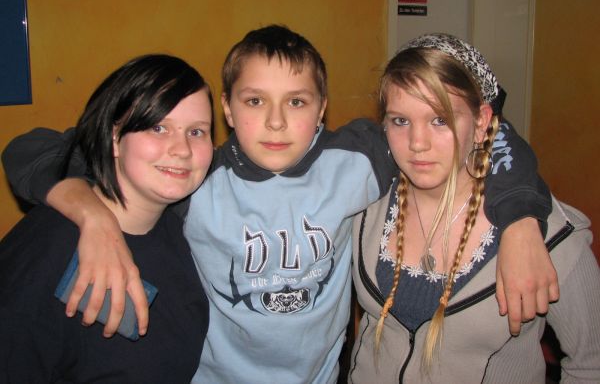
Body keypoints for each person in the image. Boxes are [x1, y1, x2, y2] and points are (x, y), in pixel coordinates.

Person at [2, 26, 555, 384]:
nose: (274, 122)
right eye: (254, 101)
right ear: (227, 109)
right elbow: (32, 149)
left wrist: (520, 221)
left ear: (322, 109)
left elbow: (483, 133)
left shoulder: (360, 158)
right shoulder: (194, 175)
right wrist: (90, 212)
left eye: (295, 102)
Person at [348, 33, 600, 383]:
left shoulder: (548, 236)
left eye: (440, 120)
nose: (417, 143)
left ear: (481, 123)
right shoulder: (364, 202)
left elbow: (592, 364)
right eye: (400, 121)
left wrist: (522, 224)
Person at [0, 54, 213, 382]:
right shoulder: (50, 249)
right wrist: (92, 217)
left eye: (197, 132)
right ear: (114, 138)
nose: (182, 149)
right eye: (158, 127)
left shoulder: (181, 224)